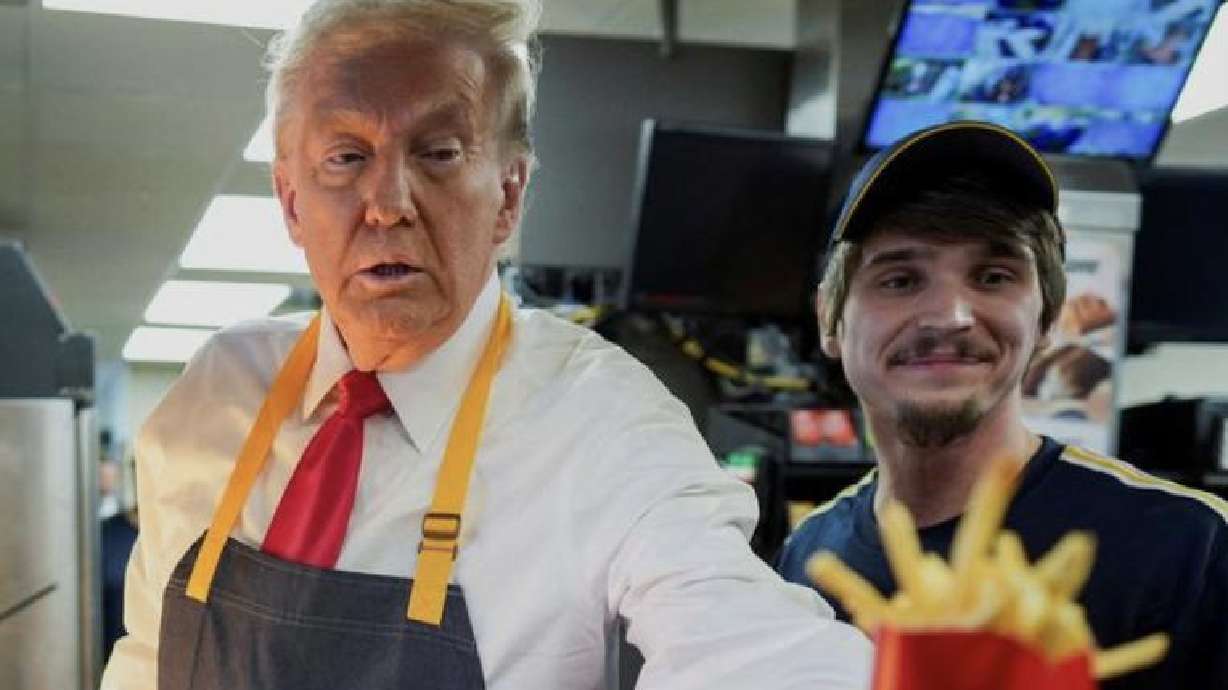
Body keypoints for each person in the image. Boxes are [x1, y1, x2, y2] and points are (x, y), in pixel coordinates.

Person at [101, 1, 870, 689]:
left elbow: (752, 646)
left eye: (438, 152)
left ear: (508, 195)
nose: (388, 204)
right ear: (291, 202)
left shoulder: (603, 421)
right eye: (345, 156)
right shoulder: (217, 386)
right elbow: (146, 656)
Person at [775, 121, 1228, 689]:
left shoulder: (1192, 547)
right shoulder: (809, 556)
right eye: (900, 280)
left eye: (993, 277)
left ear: (1045, 322)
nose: (951, 316)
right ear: (830, 319)